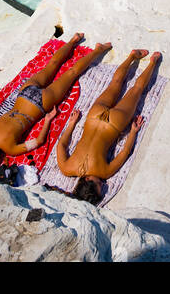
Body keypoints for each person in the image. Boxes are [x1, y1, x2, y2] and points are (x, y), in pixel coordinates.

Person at [0, 34, 111, 180]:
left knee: (72, 73)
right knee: (52, 65)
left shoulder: (11, 149)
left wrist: (48, 119)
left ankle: (98, 50)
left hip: (42, 103)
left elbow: (39, 141)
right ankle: (73, 41)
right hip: (25, 93)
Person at [56, 49, 161, 205]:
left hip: (114, 123)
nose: (103, 184)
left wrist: (133, 132)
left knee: (136, 90)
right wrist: (71, 124)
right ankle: (132, 56)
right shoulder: (66, 168)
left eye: (99, 185)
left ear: (88, 180)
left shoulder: (105, 172)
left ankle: (153, 61)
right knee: (116, 83)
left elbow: (125, 152)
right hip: (94, 117)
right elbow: (62, 144)